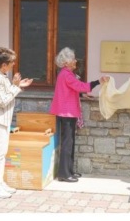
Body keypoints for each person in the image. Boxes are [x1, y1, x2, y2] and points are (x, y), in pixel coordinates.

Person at [50, 47, 109, 183]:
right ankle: (64, 173)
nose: (75, 61)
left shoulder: (65, 74)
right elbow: (80, 86)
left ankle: (68, 171)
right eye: (72, 59)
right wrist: (98, 82)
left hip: (66, 112)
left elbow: (74, 89)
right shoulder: (66, 74)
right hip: (67, 113)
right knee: (67, 143)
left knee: (69, 142)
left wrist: (83, 93)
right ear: (66, 62)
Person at [0, 47, 33, 198]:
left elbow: (6, 95)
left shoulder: (1, 76)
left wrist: (16, 86)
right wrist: (16, 86)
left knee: (1, 154)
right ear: (4, 64)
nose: (13, 64)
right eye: (11, 62)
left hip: (1, 120)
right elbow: (3, 101)